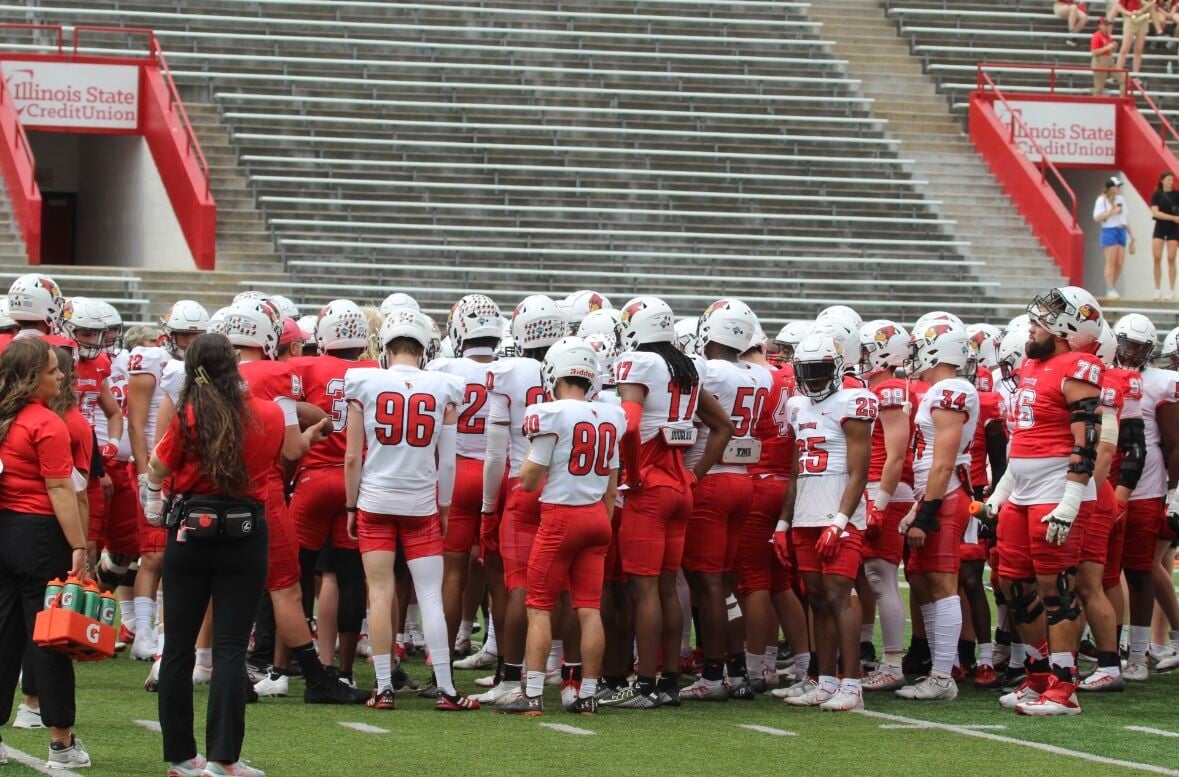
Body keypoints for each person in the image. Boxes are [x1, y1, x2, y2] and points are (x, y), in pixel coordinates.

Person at [147, 333, 312, 777]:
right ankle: (223, 759)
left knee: (178, 649)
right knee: (230, 649)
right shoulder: (266, 413)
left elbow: (158, 468)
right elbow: (282, 454)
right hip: (244, 532)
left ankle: (181, 757)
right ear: (233, 363)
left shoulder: (188, 414)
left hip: (189, 533)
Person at [344, 307, 479, 712]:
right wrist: (444, 506)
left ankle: (383, 688)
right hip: (420, 501)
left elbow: (352, 457)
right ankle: (446, 689)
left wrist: (351, 505)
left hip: (375, 498)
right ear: (424, 348)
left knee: (380, 594)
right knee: (431, 596)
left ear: (386, 347)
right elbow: (449, 460)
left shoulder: (365, 380)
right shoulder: (443, 386)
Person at [984, 287, 1104, 717]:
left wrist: (1071, 500)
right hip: (1023, 489)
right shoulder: (1034, 364)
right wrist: (1001, 492)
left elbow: (1086, 438)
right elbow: (1024, 441)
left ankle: (1064, 686)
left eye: (1041, 320)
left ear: (1067, 327)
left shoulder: (1079, 365)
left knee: (1058, 589)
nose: (1031, 325)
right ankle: (1037, 676)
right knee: (1012, 585)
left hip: (1058, 489)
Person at [496, 337, 626, 716]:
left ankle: (533, 693)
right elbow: (612, 486)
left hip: (560, 517)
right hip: (597, 517)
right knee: (588, 609)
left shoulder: (550, 412)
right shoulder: (611, 415)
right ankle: (587, 693)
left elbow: (532, 480)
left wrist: (527, 472)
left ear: (554, 371)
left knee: (539, 607)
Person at [0, 339, 90, 769]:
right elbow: (59, 489)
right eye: (53, 371)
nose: (61, 377)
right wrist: (78, 544)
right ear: (32, 376)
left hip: (3, 529)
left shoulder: (5, 416)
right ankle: (61, 743)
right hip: (38, 534)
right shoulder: (46, 423)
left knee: (3, 638)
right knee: (50, 639)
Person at [782, 332, 876, 712]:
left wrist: (840, 521)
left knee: (840, 596)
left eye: (820, 370)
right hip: (806, 510)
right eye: (807, 371)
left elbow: (859, 471)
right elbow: (795, 469)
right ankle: (826, 679)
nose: (814, 378)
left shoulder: (854, 401)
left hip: (839, 513)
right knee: (817, 599)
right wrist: (783, 523)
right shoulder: (796, 406)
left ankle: (852, 684)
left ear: (837, 367)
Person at [679, 300, 766, 702]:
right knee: (726, 582)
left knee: (708, 584)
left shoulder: (706, 370)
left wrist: (693, 476)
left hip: (710, 479)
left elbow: (706, 424)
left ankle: (714, 674)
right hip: (742, 480)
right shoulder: (759, 375)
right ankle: (735, 668)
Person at [895, 322, 979, 701]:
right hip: (932, 494)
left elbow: (943, 463)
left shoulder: (951, 390)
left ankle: (944, 676)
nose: (912, 355)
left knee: (943, 583)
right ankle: (938, 669)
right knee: (925, 580)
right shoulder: (939, 391)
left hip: (944, 495)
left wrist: (926, 513)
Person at [857, 320, 916, 692]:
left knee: (881, 577)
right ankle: (871, 653)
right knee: (867, 577)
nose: (861, 359)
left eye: (866, 351)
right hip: (875, 487)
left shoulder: (891, 390)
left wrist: (879, 503)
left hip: (886, 489)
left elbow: (895, 455)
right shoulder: (876, 389)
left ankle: (893, 662)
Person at [1093, 176, 1133, 299]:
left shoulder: (1120, 199)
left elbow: (1124, 218)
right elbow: (1097, 217)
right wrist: (1111, 212)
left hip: (1121, 230)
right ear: (1110, 187)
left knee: (1119, 263)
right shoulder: (1102, 200)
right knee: (1111, 261)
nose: (1118, 188)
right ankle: (1110, 288)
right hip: (1109, 230)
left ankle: (1112, 287)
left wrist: (1132, 235)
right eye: (1116, 186)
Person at [1150, 171, 1179, 300]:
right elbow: (1155, 213)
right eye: (1168, 179)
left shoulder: (1177, 194)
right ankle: (1157, 290)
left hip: (1174, 229)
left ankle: (1172, 290)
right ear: (1162, 180)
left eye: (1172, 180)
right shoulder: (1157, 194)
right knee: (1157, 258)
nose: (1171, 182)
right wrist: (1173, 217)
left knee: (1171, 258)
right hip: (1160, 228)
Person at [1113, 0, 1155, 75]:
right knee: (1125, 48)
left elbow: (1152, 3)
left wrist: (1142, 9)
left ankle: (1136, 75)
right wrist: (1128, 13)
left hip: (1143, 18)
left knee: (1139, 49)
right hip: (1130, 18)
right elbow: (1118, 5)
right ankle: (1118, 73)